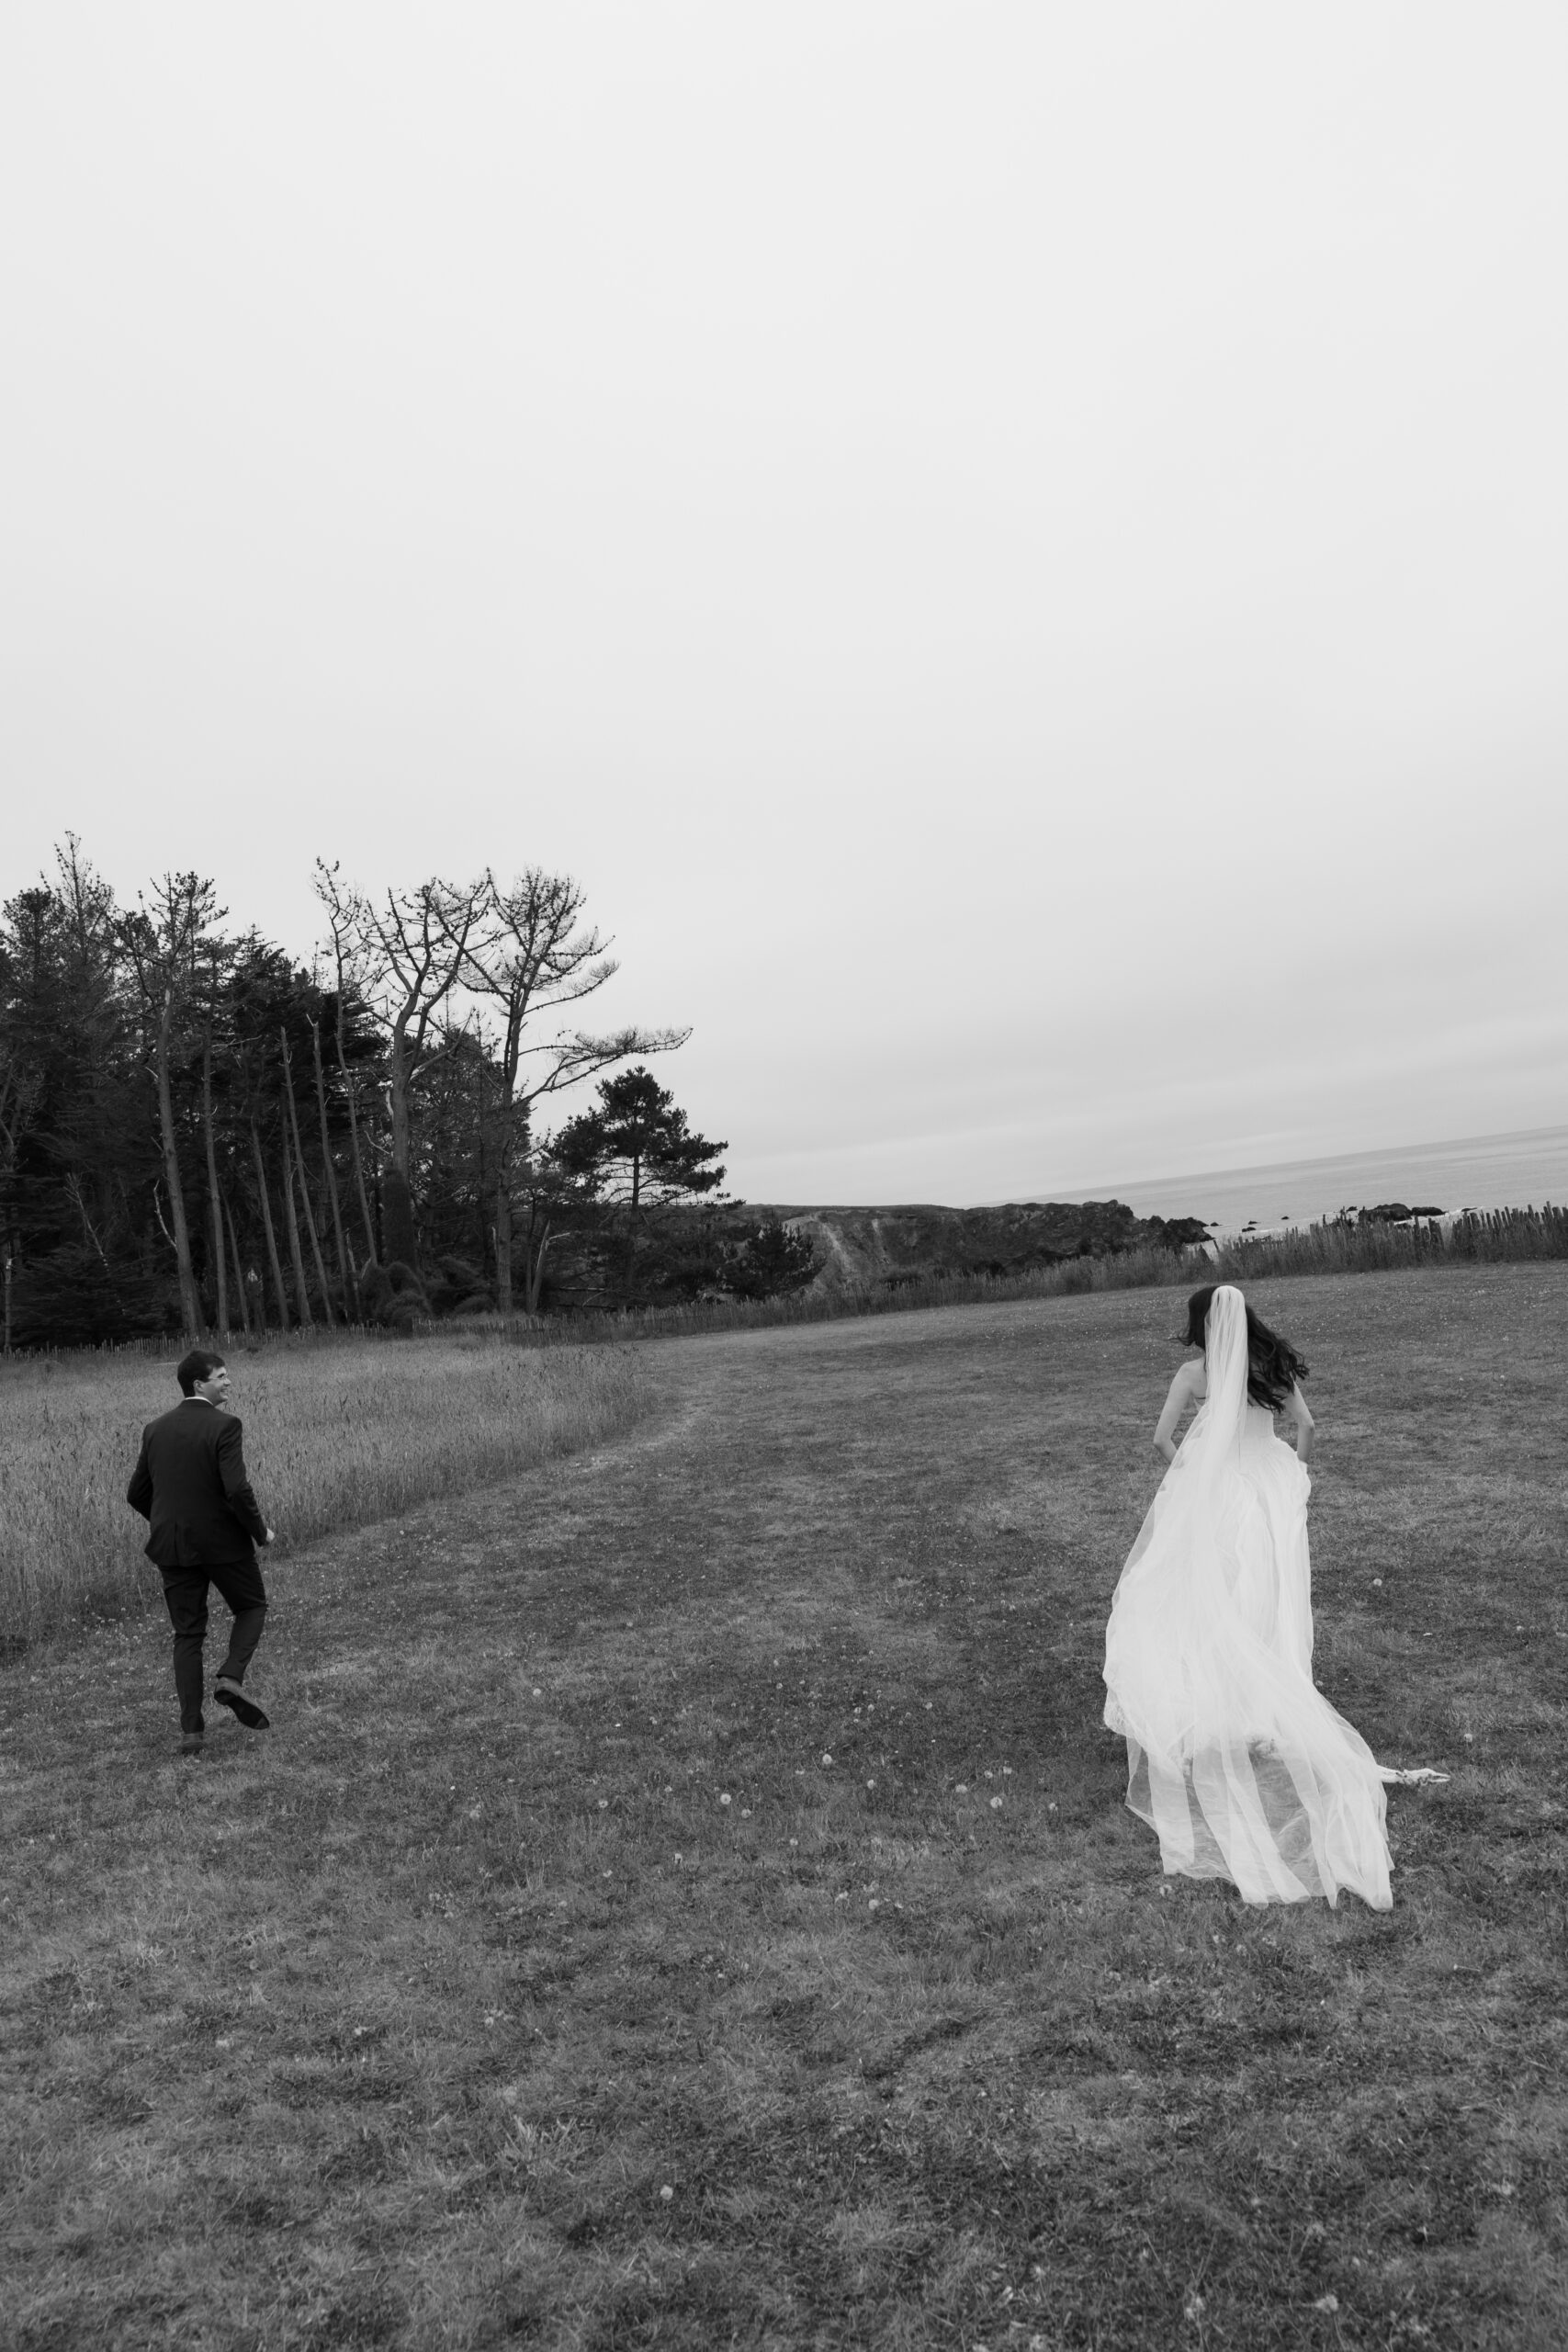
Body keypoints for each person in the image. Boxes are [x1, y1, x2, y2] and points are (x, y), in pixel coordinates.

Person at [1102, 1283, 1405, 1908]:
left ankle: (1229, 1696)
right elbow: (1307, 1426)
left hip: (1220, 1493)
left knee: (1212, 1590)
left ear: (1200, 1324)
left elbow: (1162, 1439)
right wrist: (1293, 1470)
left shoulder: (1193, 1374)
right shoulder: (1271, 1365)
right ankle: (1265, 1691)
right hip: (1266, 1490)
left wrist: (1193, 1473)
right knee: (1270, 1586)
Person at [127, 1348, 276, 1756]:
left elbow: (136, 1493)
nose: (228, 1381)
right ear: (198, 1384)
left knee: (187, 1634)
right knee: (252, 1607)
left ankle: (192, 1730)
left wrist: (167, 1522)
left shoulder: (155, 1429)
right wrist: (260, 1531)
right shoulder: (226, 1426)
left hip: (172, 1545)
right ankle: (230, 1678)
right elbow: (237, 1489)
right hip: (223, 1544)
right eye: (221, 1376)